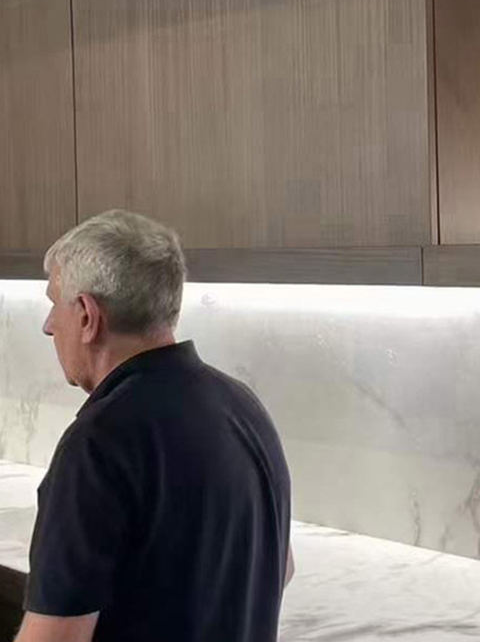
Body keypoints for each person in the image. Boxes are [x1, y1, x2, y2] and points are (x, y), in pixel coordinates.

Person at [16, 210, 293, 642]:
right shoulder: (243, 408)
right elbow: (281, 566)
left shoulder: (99, 443)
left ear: (87, 315)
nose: (49, 325)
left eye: (55, 303)